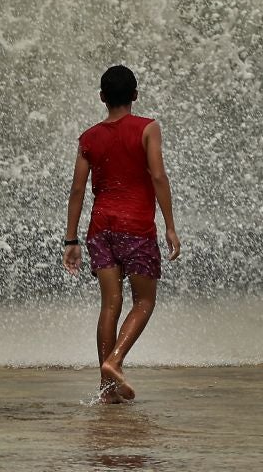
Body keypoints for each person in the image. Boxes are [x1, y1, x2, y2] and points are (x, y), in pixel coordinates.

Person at [62, 65, 180, 403]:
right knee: (144, 301)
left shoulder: (89, 137)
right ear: (135, 95)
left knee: (110, 303)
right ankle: (113, 363)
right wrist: (170, 226)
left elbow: (77, 189)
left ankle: (106, 388)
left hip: (101, 228)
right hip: (136, 227)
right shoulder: (147, 129)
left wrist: (71, 240)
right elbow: (158, 177)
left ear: (102, 97)